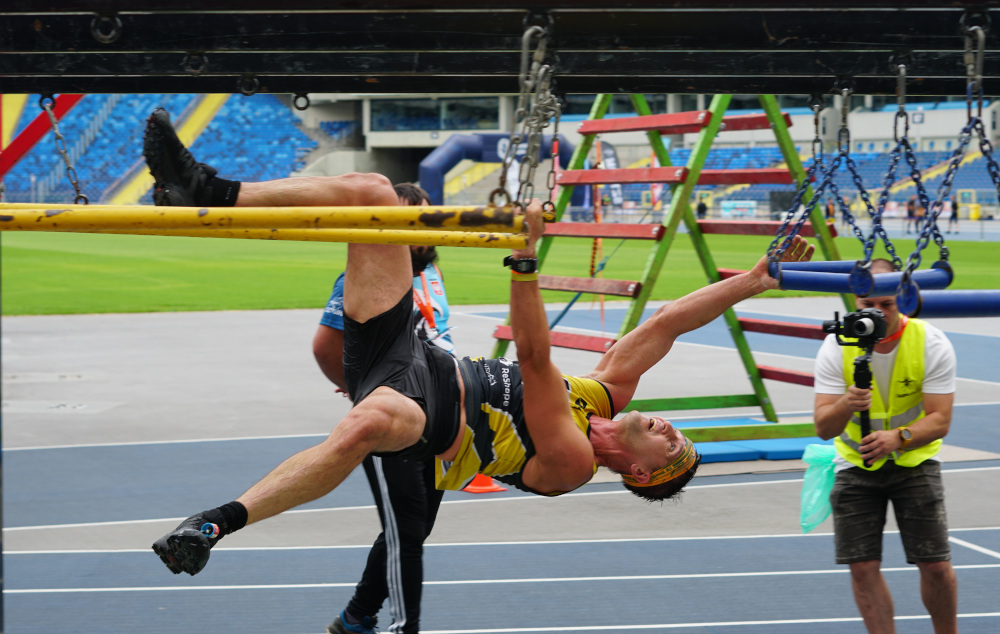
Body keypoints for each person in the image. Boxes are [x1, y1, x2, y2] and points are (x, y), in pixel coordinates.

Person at [143, 107, 814, 590]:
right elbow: (666, 322)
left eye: (670, 447)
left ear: (639, 473)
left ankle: (211, 527)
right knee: (378, 196)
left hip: (431, 420)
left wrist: (525, 257)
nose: (669, 428)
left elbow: (533, 359)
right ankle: (207, 192)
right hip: (413, 350)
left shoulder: (575, 463)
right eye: (677, 432)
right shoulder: (609, 392)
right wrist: (751, 281)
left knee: (372, 424)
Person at [313, 182, 453, 634]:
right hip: (396, 416)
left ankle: (355, 616)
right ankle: (401, 626)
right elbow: (324, 346)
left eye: (426, 217)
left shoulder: (430, 275)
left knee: (415, 528)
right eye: (410, 219)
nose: (423, 228)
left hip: (441, 416)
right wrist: (363, 388)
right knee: (406, 534)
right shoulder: (365, 281)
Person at [813, 257, 958, 634]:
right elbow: (823, 428)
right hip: (854, 463)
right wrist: (847, 402)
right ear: (855, 302)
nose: (876, 314)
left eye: (886, 305)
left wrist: (899, 438)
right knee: (861, 566)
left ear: (905, 300)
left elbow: (940, 418)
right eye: (867, 306)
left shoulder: (931, 341)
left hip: (914, 461)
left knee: (936, 564)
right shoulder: (836, 344)